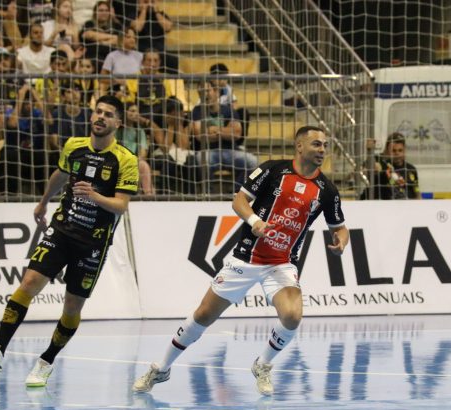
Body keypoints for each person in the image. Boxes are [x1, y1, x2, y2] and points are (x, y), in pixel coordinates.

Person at [133, 125, 349, 396]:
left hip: (282, 263)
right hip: (246, 257)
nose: (322, 150)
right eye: (317, 144)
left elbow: (339, 227)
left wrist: (341, 242)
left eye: (325, 145)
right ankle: (161, 368)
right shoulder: (272, 170)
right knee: (203, 315)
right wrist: (255, 222)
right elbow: (239, 201)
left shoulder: (326, 190)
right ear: (300, 146)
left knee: (293, 315)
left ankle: (263, 364)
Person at [0, 94, 138, 387]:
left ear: (118, 122)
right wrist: (43, 202)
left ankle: (46, 362)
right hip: (62, 230)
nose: (100, 117)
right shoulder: (74, 146)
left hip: (93, 243)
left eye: (108, 114)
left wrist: (95, 196)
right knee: (28, 284)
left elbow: (122, 206)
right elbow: (60, 175)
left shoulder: (125, 160)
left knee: (72, 307)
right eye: (98, 112)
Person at [191, 79, 258, 193]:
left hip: (230, 151)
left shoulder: (229, 110)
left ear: (216, 92)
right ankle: (208, 194)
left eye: (207, 91)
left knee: (253, 161)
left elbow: (237, 133)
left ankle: (237, 191)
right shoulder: (197, 111)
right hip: (209, 152)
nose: (204, 95)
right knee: (201, 159)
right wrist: (226, 132)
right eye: (201, 92)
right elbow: (199, 135)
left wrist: (215, 130)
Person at [361, 132, 419, 200]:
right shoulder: (379, 161)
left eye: (400, 150)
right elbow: (364, 169)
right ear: (387, 150)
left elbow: (417, 193)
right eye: (393, 151)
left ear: (404, 151)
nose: (397, 153)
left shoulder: (411, 169)